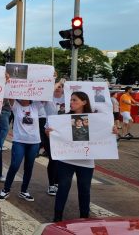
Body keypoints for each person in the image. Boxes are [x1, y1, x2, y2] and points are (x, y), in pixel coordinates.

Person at [46, 92, 118, 221]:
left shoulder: (95, 119)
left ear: (84, 102)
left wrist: (113, 131)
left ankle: (84, 218)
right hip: (66, 160)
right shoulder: (63, 118)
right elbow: (55, 137)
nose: (71, 102)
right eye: (70, 100)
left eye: (75, 100)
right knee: (63, 188)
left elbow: (105, 132)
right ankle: (57, 218)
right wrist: (48, 133)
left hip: (86, 161)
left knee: (84, 190)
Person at [0, 99, 54, 202]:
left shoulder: (36, 105)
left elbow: (47, 91)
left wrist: (59, 83)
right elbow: (9, 93)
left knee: (29, 167)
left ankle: (24, 190)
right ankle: (6, 189)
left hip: (34, 142)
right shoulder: (15, 106)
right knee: (15, 165)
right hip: (19, 141)